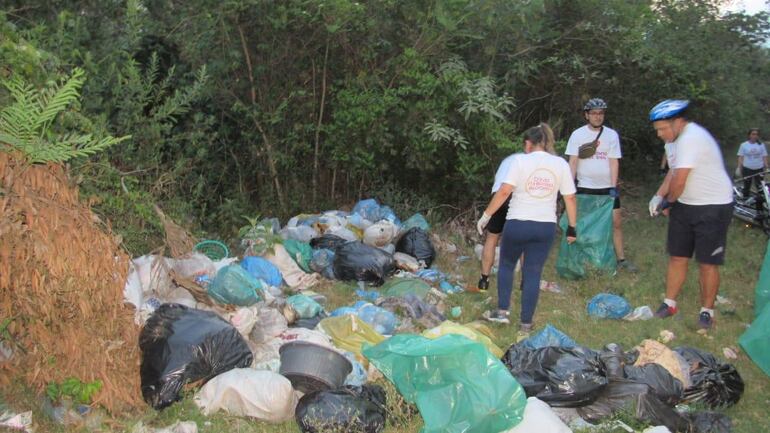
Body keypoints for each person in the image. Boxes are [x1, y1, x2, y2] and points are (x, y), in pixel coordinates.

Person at [477, 123, 577, 334]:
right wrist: (572, 227)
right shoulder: (560, 163)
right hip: (545, 226)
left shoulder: (520, 160)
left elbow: (504, 191)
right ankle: (525, 324)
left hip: (518, 222)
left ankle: (502, 312)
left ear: (529, 143)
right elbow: (569, 197)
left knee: (506, 265)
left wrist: (486, 215)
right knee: (533, 272)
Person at [648, 99, 733, 330]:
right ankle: (669, 304)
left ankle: (707, 311)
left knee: (707, 262)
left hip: (713, 205)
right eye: (657, 130)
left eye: (662, 129)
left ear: (678, 122)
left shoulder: (691, 138)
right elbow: (673, 172)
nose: (659, 134)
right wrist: (658, 195)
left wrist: (668, 202)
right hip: (686, 204)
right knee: (678, 255)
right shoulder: (672, 141)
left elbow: (681, 181)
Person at [565, 98, 636, 272]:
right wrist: (569, 186)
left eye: (601, 113)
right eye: (594, 113)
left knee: (615, 222)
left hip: (607, 188)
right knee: (582, 223)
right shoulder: (577, 135)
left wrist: (613, 187)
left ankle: (621, 259)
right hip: (584, 186)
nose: (598, 117)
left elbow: (613, 162)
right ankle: (580, 258)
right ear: (587, 115)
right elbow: (573, 161)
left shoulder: (611, 135)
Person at [476, 153, 519, 293]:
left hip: (498, 197)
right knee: (523, 241)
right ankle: (525, 283)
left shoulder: (507, 160)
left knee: (492, 237)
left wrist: (486, 215)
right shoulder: (528, 161)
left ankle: (484, 280)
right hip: (517, 197)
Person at [736, 128, 767, 198]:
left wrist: (767, 166)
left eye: (757, 134)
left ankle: (760, 201)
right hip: (747, 169)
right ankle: (745, 199)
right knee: (747, 185)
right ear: (749, 135)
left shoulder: (761, 145)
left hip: (759, 169)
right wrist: (739, 168)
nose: (755, 136)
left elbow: (764, 156)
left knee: (760, 187)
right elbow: (740, 157)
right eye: (753, 134)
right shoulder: (743, 145)